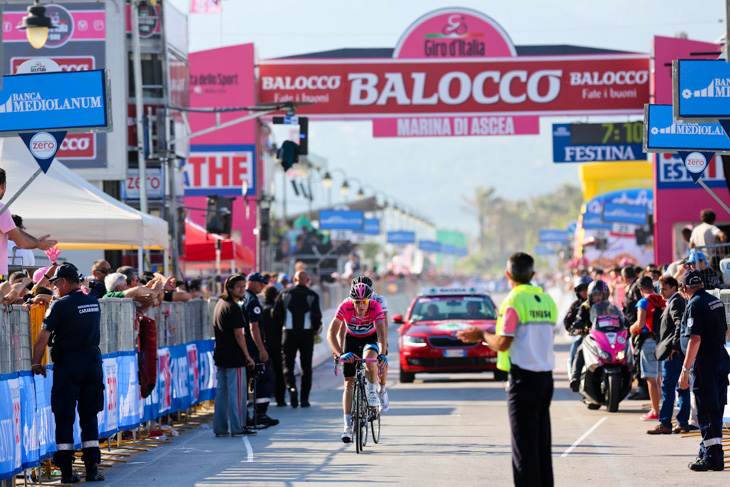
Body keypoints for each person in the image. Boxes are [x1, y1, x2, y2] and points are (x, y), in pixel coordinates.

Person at [457, 252, 557, 487]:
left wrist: (481, 335)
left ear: (508, 275)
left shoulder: (513, 301)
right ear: (533, 275)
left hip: (523, 380)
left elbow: (503, 342)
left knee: (524, 448)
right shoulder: (548, 301)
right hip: (545, 379)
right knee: (542, 447)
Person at [29, 263, 105, 483]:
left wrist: (36, 362)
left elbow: (43, 337)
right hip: (92, 362)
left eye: (55, 284)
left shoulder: (60, 305)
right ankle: (92, 467)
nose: (55, 289)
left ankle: (66, 470)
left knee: (64, 416)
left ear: (62, 282)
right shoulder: (93, 302)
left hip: (69, 363)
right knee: (89, 415)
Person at [678, 269, 730, 471]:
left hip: (705, 361)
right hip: (720, 357)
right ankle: (708, 450)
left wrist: (685, 369)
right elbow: (725, 332)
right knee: (715, 407)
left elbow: (695, 338)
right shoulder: (714, 301)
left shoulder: (694, 304)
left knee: (706, 408)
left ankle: (713, 457)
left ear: (684, 288)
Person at [327, 281, 385, 443]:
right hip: (351, 340)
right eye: (357, 303)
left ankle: (372, 391)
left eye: (364, 302)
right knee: (348, 383)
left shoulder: (375, 306)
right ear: (352, 301)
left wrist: (382, 353)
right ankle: (346, 427)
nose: (360, 306)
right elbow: (331, 333)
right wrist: (340, 354)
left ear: (369, 300)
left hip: (370, 338)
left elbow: (381, 333)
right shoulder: (345, 306)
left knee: (370, 360)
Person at [212, 274, 257, 437]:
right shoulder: (233, 307)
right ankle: (238, 427)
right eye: (238, 286)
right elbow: (239, 334)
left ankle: (220, 428)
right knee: (236, 393)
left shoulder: (220, 304)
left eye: (243, 285)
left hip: (221, 354)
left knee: (222, 392)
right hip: (233, 356)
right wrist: (247, 355)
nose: (242, 289)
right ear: (229, 288)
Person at [647, 275, 691, 435]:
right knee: (682, 386)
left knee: (669, 387)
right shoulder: (674, 301)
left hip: (674, 354)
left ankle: (665, 423)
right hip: (676, 352)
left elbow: (680, 324)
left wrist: (674, 346)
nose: (661, 292)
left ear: (674, 288)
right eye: (659, 288)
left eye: (664, 288)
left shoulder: (675, 302)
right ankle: (682, 422)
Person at [273, 271, 323, 408]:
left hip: (288, 333)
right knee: (306, 366)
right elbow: (317, 315)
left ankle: (292, 388)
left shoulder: (285, 294)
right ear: (307, 280)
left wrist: (281, 327)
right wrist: (316, 329)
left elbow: (276, 314)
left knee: (287, 364)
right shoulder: (312, 295)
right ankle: (305, 399)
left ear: (294, 279)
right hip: (306, 334)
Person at [0, 168, 56, 279]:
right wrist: (38, 244)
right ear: (3, 185)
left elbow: (13, 229)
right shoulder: (2, 209)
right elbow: (21, 242)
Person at [242, 272, 278, 427]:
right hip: (253, 348)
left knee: (249, 380)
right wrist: (262, 350)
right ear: (251, 283)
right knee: (262, 378)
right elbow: (254, 327)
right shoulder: (252, 300)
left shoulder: (243, 297)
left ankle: (247, 416)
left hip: (246, 347)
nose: (263, 286)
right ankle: (260, 413)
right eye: (260, 283)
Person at [628, 276, 666, 421]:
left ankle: (655, 411)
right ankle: (662, 408)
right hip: (662, 342)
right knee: (660, 378)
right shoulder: (663, 299)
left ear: (640, 289)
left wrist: (631, 329)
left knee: (651, 378)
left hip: (649, 341)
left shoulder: (643, 302)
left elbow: (640, 324)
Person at [352, 276, 391, 412]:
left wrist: (383, 344)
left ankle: (382, 390)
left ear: (372, 290)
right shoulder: (353, 299)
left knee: (382, 355)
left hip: (376, 331)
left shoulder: (379, 300)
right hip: (359, 332)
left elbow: (384, 323)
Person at [569, 280, 613, 392]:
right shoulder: (585, 306)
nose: (598, 297)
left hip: (607, 337)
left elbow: (620, 318)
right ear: (590, 295)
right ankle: (575, 378)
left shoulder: (610, 306)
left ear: (605, 294)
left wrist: (627, 325)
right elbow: (579, 319)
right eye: (595, 295)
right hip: (590, 337)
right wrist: (579, 326)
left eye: (600, 294)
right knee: (580, 350)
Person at [622, 266, 648, 400]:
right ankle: (641, 387)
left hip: (639, 329)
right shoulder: (633, 287)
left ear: (624, 277)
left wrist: (635, 326)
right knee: (636, 357)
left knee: (638, 358)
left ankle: (643, 388)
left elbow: (640, 307)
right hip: (635, 327)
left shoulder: (635, 288)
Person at [261, 285, 286, 407]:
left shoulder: (260, 309)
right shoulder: (277, 310)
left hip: (263, 345)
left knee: (262, 372)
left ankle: (263, 398)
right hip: (277, 344)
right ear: (276, 296)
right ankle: (280, 399)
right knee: (279, 371)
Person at [563, 275, 591, 374]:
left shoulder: (599, 303)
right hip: (582, 335)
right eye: (582, 289)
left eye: (587, 289)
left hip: (597, 334)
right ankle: (573, 372)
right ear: (577, 291)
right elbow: (567, 322)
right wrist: (574, 331)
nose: (585, 292)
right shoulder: (575, 305)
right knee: (576, 343)